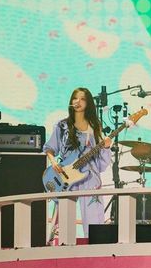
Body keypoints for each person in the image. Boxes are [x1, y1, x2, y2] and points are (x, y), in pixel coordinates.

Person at [43, 87, 112, 238]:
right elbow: (49, 148)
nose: (78, 101)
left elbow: (101, 165)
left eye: (82, 99)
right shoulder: (62, 126)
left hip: (90, 178)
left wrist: (106, 148)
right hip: (65, 175)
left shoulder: (95, 127)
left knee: (94, 221)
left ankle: (94, 247)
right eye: (75, 98)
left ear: (89, 103)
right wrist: (53, 162)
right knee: (64, 222)